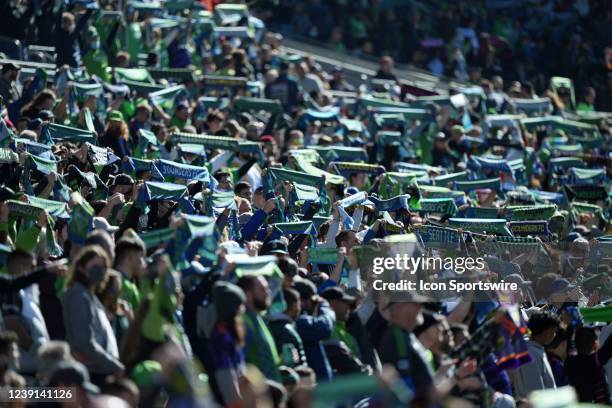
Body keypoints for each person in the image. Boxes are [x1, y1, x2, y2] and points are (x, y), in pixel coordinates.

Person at [62, 245, 124, 384]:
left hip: (99, 371)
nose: (100, 271)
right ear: (81, 268)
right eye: (95, 266)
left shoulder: (88, 295)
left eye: (103, 267)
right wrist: (115, 365)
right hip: (92, 374)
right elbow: (84, 342)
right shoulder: (79, 296)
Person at [205, 281, 247, 406]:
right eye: (241, 307)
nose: (243, 311)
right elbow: (227, 382)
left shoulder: (226, 334)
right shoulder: (222, 338)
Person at [237, 275, 282, 382]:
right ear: (247, 294)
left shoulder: (260, 320)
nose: (268, 292)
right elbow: (241, 367)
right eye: (262, 289)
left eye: (267, 288)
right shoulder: (244, 324)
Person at [292, 279, 335, 382]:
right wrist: (324, 307)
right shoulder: (299, 322)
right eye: (313, 301)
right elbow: (325, 327)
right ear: (303, 301)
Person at [513, 311, 559, 398]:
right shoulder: (531, 354)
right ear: (547, 331)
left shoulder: (533, 350)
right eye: (554, 331)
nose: (554, 334)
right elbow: (536, 392)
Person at [566, 326, 612, 404]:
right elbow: (608, 349)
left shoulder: (569, 361)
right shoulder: (593, 362)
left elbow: (569, 345)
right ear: (595, 344)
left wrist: (570, 327)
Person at [268, 288, 307, 368]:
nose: (300, 308)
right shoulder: (287, 331)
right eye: (299, 304)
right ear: (294, 305)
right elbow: (293, 363)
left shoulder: (268, 326)